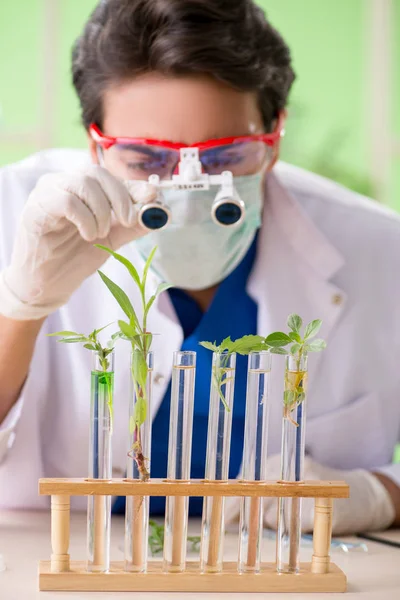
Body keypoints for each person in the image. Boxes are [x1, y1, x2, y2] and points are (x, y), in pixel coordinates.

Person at [0, 0, 399, 535]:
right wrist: (19, 312)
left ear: (274, 137)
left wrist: (382, 494)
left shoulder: (382, 252)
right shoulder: (13, 216)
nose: (186, 191)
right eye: (145, 160)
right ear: (95, 143)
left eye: (225, 157)